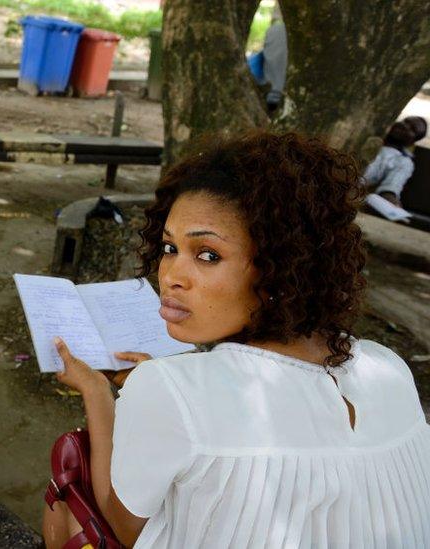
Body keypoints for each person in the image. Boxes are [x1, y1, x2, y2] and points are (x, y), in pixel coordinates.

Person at [43, 131, 430, 547]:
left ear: (280, 269)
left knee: (67, 491)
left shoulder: (168, 388)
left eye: (208, 255)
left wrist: (97, 390)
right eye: (169, 247)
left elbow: (124, 526)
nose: (170, 275)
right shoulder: (388, 366)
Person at [364, 116, 427, 206]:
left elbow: (390, 188)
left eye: (412, 129)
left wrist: (392, 205)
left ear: (413, 141)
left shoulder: (403, 161)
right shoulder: (367, 133)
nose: (405, 126)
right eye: (405, 121)